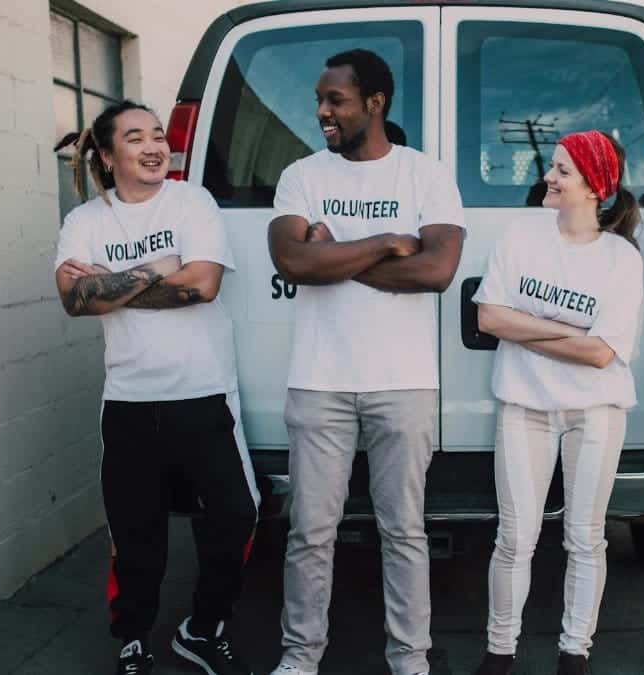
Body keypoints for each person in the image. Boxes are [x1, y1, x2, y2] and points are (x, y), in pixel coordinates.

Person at [265, 49, 465, 675]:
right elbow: (294, 264)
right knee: (309, 534)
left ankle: (410, 660)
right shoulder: (302, 176)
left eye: (336, 100)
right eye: (321, 100)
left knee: (404, 532)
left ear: (374, 102)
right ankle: (300, 658)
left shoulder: (425, 175)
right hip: (319, 382)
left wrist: (337, 253)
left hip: (402, 385)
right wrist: (382, 243)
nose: (323, 111)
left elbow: (436, 270)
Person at [53, 100, 259, 675]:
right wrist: (155, 267)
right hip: (127, 402)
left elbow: (202, 284)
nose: (153, 146)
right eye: (136, 137)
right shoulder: (85, 221)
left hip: (202, 393)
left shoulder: (191, 200)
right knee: (136, 536)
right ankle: (134, 638)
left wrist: (109, 284)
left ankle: (201, 628)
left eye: (158, 135)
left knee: (234, 518)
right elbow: (73, 301)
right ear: (108, 154)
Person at [471, 130, 644, 675]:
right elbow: (488, 318)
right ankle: (500, 655)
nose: (548, 175)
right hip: (524, 408)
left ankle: (575, 655)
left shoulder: (620, 257)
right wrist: (561, 330)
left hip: (596, 414)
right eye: (553, 165)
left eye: (563, 170)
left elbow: (600, 354)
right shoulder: (520, 238)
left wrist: (526, 328)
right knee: (514, 538)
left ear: (595, 187)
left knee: (584, 539)